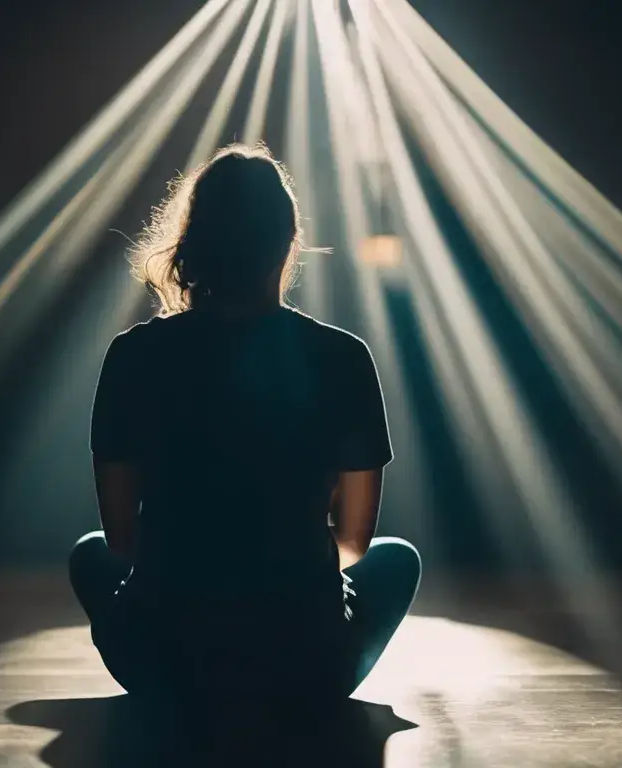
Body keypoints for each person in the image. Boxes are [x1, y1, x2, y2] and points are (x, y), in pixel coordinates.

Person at [70, 143, 419, 704]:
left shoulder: (134, 354)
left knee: (88, 553)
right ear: (286, 244)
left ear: (193, 242)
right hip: (306, 666)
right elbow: (354, 541)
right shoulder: (342, 357)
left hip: (163, 663)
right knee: (398, 559)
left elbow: (120, 539)